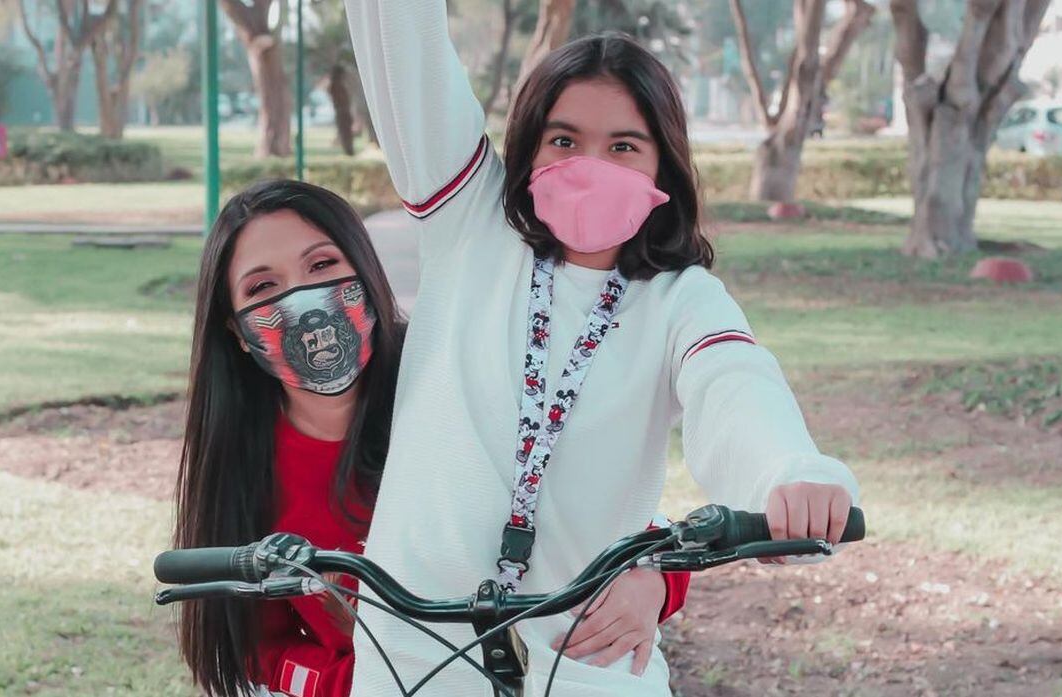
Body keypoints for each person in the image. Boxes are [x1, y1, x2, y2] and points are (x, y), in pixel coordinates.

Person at [343, 2, 861, 696]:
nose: (589, 165)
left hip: (587, 649)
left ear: (662, 168)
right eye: (563, 140)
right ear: (527, 150)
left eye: (622, 146)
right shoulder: (469, 224)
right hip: (416, 649)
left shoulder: (682, 297)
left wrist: (789, 473)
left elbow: (736, 382)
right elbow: (404, 45)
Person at [169, 180, 690, 697]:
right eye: (263, 287)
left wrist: (655, 580)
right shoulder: (244, 467)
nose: (304, 301)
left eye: (322, 265)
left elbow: (605, 494)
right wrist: (349, 682)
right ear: (236, 331)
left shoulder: (460, 383)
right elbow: (250, 646)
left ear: (364, 270)